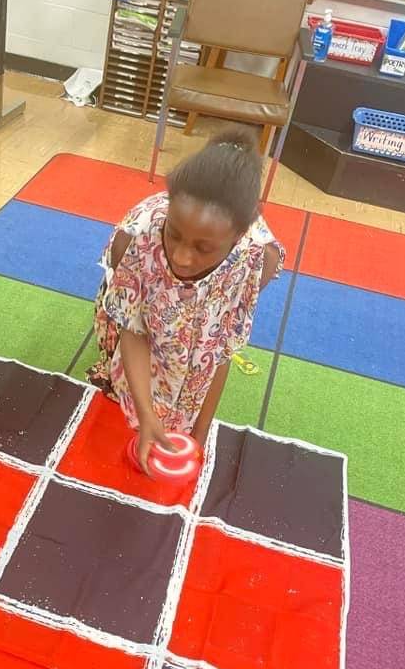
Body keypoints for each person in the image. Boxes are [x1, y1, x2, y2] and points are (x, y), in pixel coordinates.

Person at [87, 126, 284, 472]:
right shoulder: (137, 238)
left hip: (192, 356)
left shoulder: (255, 259)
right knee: (120, 411)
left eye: (204, 248)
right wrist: (146, 414)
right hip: (141, 328)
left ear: (240, 235)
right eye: (174, 234)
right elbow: (134, 329)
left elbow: (221, 349)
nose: (181, 257)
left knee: (185, 379)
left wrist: (201, 432)